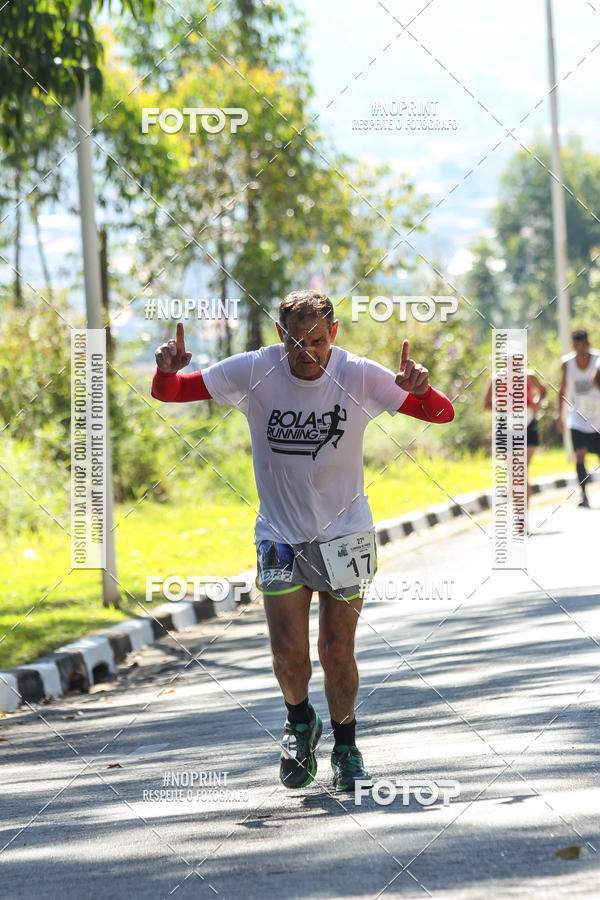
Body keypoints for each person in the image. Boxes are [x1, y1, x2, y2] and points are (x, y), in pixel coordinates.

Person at [151, 290, 454, 792]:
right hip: (280, 537)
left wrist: (421, 390)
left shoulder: (358, 374)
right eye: (295, 341)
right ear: (279, 335)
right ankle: (299, 721)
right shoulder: (255, 370)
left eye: (316, 340)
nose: (306, 353)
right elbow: (171, 393)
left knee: (337, 651)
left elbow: (439, 414)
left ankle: (348, 749)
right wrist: (166, 370)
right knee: (288, 649)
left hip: (346, 536)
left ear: (333, 334)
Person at [484, 369, 546, 505]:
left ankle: (522, 515)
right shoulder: (496, 379)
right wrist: (501, 405)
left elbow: (543, 390)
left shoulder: (529, 376)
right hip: (505, 428)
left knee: (520, 473)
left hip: (528, 426)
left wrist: (538, 402)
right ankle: (520, 515)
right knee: (515, 475)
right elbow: (486, 404)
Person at [559, 328, 600, 508]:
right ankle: (583, 494)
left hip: (598, 417)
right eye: (576, 346)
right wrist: (560, 415)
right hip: (577, 417)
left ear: (588, 343)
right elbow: (563, 389)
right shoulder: (567, 363)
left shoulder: (598, 360)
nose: (580, 349)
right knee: (579, 455)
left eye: (583, 345)